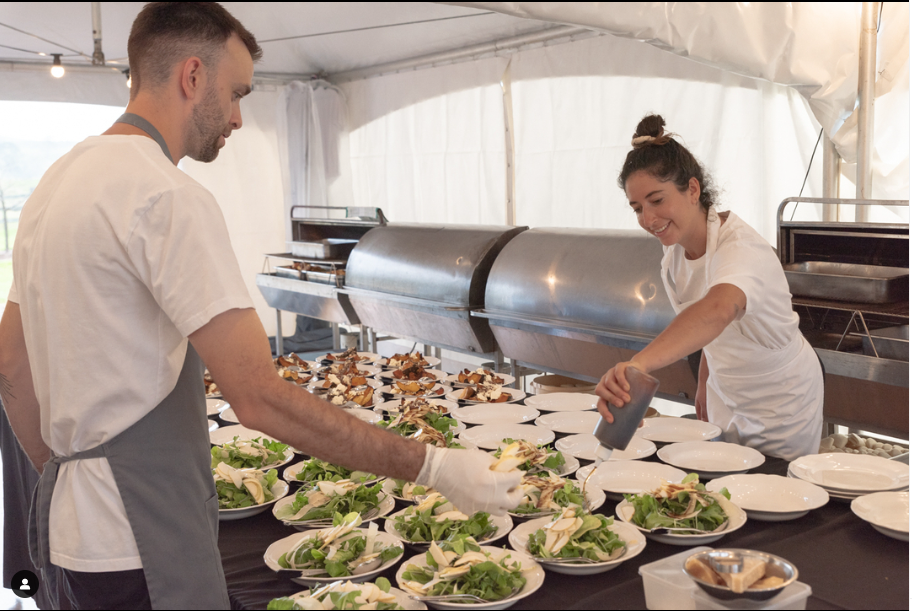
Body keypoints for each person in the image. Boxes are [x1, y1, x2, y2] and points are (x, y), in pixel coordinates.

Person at [0, 4, 522, 609]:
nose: (238, 119)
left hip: (74, 537)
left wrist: (72, 470)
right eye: (236, 93)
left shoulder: (55, 183)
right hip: (143, 538)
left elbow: (11, 363)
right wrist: (432, 466)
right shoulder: (167, 196)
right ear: (192, 76)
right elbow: (258, 397)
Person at [595, 114, 823, 462]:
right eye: (637, 208)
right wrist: (705, 379)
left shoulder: (740, 248)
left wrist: (638, 364)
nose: (648, 218)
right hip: (724, 390)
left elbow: (719, 309)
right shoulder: (673, 253)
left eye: (657, 200)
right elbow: (704, 324)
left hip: (779, 399)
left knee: (771, 491)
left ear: (693, 189)